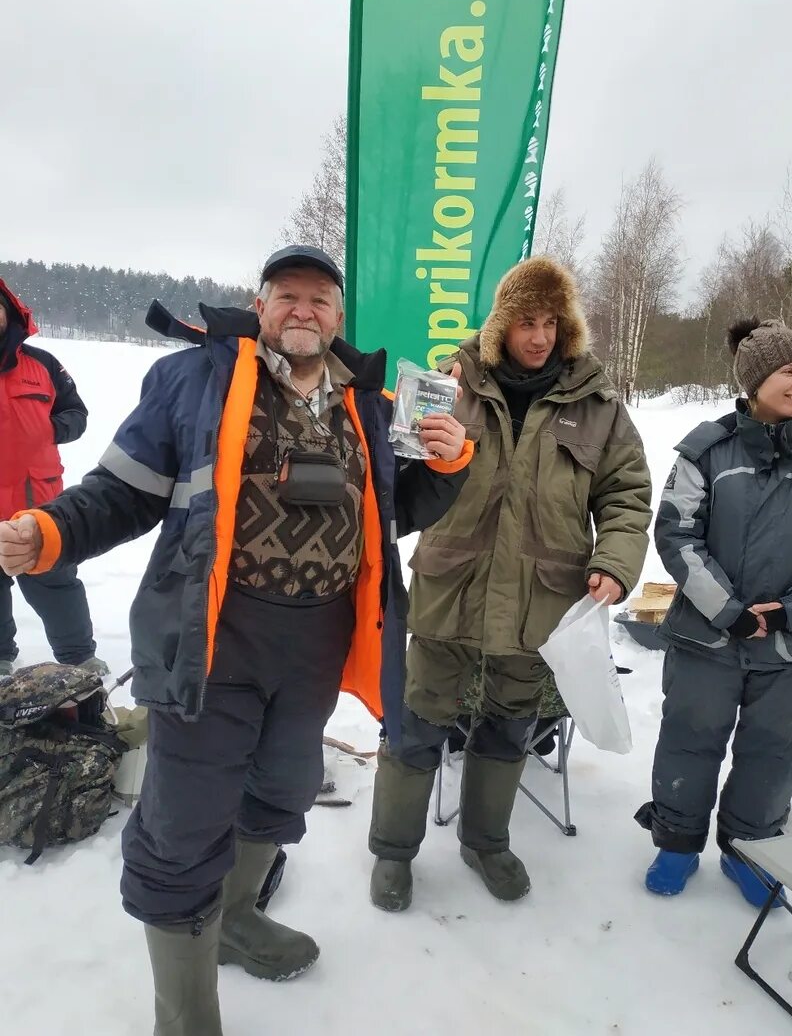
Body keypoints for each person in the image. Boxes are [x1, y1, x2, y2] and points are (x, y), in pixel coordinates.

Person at [0, 244, 472, 1036]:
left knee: (284, 790)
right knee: (183, 826)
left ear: (337, 317)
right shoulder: (197, 381)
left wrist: (450, 464)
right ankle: (184, 1017)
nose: (304, 310)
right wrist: (51, 533)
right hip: (213, 638)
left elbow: (394, 510)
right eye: (287, 295)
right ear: (259, 307)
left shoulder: (369, 402)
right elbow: (123, 489)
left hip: (316, 645)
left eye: (320, 300)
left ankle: (234, 918)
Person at [368, 255, 652, 912]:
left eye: (552, 322)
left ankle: (486, 842)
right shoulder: (452, 385)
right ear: (502, 324)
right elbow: (392, 479)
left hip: (540, 601)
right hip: (450, 590)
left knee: (508, 726)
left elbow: (627, 494)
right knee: (416, 723)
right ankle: (392, 853)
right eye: (526, 321)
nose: (539, 336)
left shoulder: (599, 406)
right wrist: (401, 414)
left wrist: (615, 558)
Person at [637, 317, 792, 905]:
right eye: (789, 370)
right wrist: (729, 610)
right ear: (756, 378)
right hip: (707, 638)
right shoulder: (705, 449)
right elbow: (677, 535)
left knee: (775, 752)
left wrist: (791, 612)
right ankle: (677, 843)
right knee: (689, 738)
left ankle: (750, 851)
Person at [0, 279, 107, 679]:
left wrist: (46, 431)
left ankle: (78, 655)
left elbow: (75, 414)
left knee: (57, 584)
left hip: (37, 501)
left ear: (9, 314)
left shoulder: (42, 364)